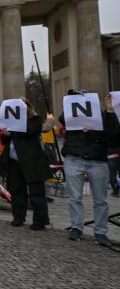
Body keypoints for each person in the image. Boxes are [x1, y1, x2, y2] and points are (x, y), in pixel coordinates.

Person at [60, 89, 111, 246]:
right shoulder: (72, 114)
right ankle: (76, 227)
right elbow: (62, 118)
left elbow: (113, 134)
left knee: (101, 199)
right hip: (74, 158)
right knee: (74, 197)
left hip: (97, 160)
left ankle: (101, 232)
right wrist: (71, 99)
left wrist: (110, 110)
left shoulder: (104, 115)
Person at [0, 99, 51, 230]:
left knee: (36, 192)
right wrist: (5, 134)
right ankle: (18, 217)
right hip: (14, 161)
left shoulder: (35, 119)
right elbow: (6, 140)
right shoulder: (11, 122)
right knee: (16, 191)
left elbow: (29, 132)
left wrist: (12, 130)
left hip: (32, 160)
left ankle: (40, 220)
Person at [103, 93, 120, 197]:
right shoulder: (102, 115)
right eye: (107, 99)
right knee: (112, 170)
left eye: (112, 99)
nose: (110, 101)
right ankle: (115, 188)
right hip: (110, 149)